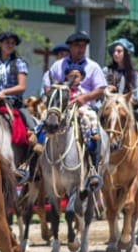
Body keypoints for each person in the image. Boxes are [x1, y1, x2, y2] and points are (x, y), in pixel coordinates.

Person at [43, 30, 107, 191]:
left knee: (92, 127)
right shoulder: (59, 65)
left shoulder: (93, 66)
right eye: (77, 46)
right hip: (60, 107)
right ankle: (32, 163)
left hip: (84, 107)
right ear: (70, 47)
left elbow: (100, 89)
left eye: (83, 46)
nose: (81, 49)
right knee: (41, 125)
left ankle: (92, 167)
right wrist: (56, 98)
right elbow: (47, 85)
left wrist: (83, 99)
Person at [0, 31, 40, 145]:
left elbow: (22, 87)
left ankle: (34, 150)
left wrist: (3, 92)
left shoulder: (19, 63)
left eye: (13, 43)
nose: (10, 45)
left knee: (32, 125)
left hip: (12, 102)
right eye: (7, 42)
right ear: (0, 44)